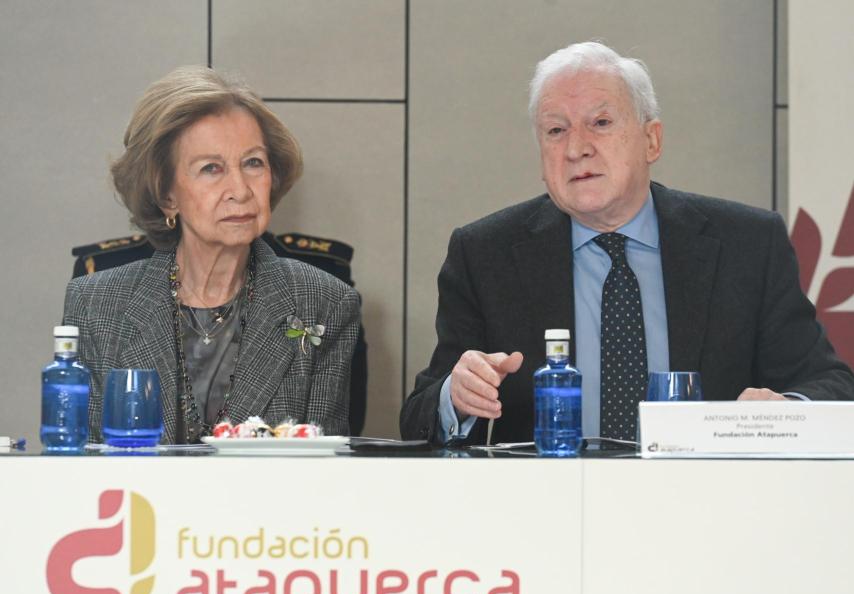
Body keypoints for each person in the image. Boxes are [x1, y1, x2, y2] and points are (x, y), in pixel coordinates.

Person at [400, 41, 854, 446]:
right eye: (556, 131)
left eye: (600, 122)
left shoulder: (747, 244)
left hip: (710, 511)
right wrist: (455, 396)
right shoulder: (486, 254)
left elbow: (829, 383)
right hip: (544, 517)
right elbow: (418, 416)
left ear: (651, 140)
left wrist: (784, 410)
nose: (576, 148)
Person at [63, 66, 360, 443]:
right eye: (211, 169)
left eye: (253, 162)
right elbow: (81, 469)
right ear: (167, 194)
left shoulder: (323, 302)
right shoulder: (96, 305)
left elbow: (324, 471)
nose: (240, 189)